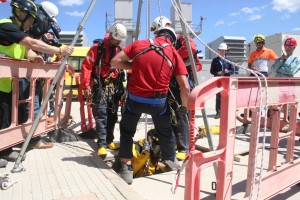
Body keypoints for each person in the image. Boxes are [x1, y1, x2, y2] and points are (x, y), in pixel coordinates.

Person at [110, 26, 190, 184]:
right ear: (172, 40)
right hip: (158, 104)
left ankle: (126, 167)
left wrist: (134, 67)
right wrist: (184, 107)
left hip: (135, 101)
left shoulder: (139, 44)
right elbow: (185, 86)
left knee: (127, 132)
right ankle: (170, 163)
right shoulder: (173, 52)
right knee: (166, 132)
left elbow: (114, 61)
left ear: (157, 34)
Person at [0, 0, 73, 154]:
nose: (32, 23)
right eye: (31, 19)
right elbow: (31, 43)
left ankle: (5, 151)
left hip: (8, 84)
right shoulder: (5, 25)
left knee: (6, 120)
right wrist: (59, 50)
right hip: (2, 82)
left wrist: (34, 57)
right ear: (20, 14)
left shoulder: (19, 31)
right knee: (3, 118)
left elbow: (27, 50)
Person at [151, 16, 201, 161]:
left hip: (181, 82)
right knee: (169, 113)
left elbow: (191, 48)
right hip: (171, 82)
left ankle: (183, 147)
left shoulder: (181, 39)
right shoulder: (171, 43)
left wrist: (171, 57)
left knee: (180, 113)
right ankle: (172, 143)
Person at [80, 22, 127, 158]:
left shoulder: (118, 49)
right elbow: (87, 67)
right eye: (116, 39)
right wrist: (86, 86)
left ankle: (109, 140)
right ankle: (101, 145)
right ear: (111, 35)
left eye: (120, 40)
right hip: (99, 86)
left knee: (112, 115)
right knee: (101, 116)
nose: (118, 42)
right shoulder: (97, 48)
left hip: (114, 86)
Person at [210, 43, 234, 119]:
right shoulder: (215, 60)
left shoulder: (229, 60)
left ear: (226, 51)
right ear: (219, 50)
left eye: (224, 51)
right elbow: (211, 71)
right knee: (218, 97)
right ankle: (218, 112)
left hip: (226, 80)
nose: (222, 52)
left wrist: (228, 71)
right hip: (218, 80)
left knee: (227, 96)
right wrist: (217, 73)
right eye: (221, 50)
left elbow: (232, 71)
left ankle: (226, 111)